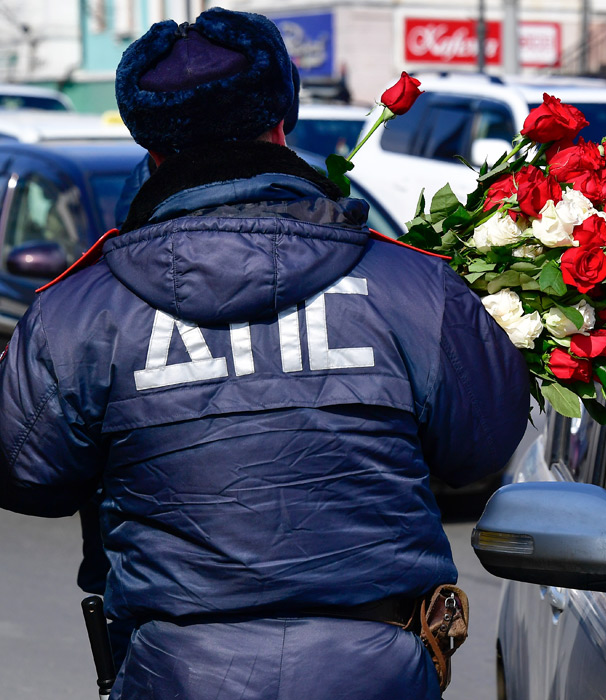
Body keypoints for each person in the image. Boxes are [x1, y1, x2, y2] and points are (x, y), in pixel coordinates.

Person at [0, 7, 528, 699]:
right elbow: (480, 448)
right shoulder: (413, 286)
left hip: (176, 672)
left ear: (149, 145)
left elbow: (27, 475)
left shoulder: (80, 311)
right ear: (285, 115)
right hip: (377, 671)